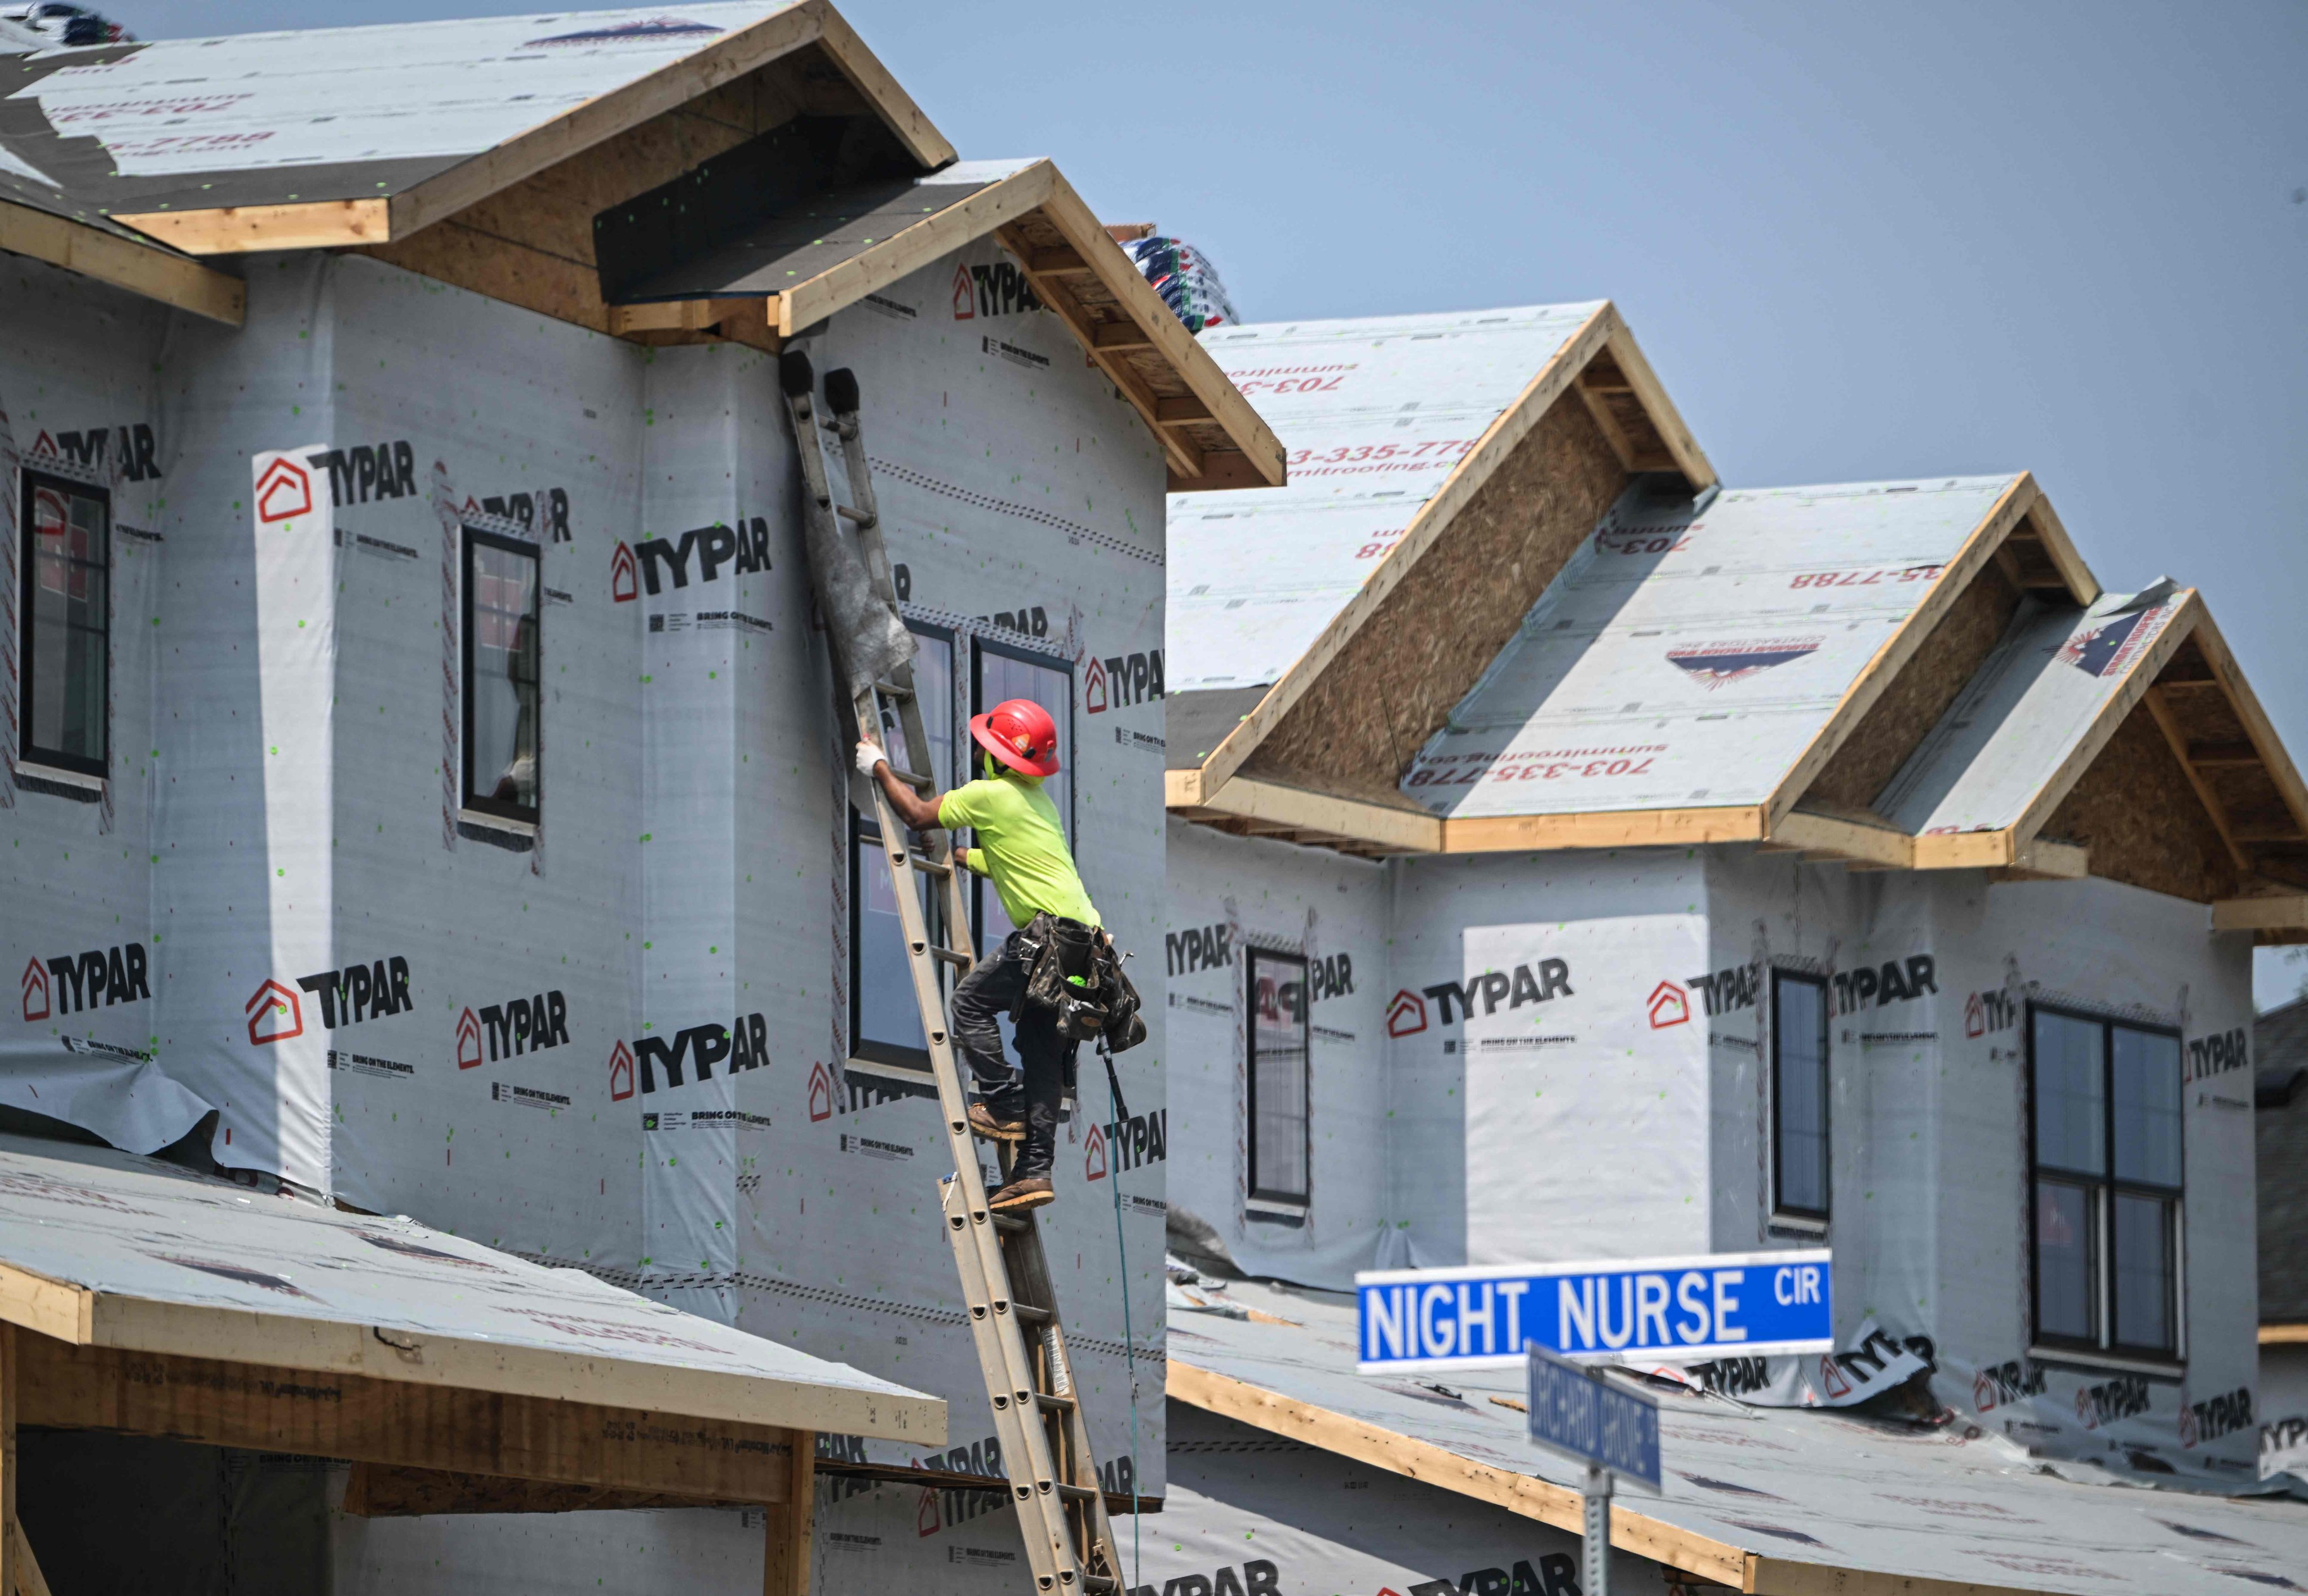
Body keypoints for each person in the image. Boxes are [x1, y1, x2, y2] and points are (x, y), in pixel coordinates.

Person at [857, 697, 1098, 1214]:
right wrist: (961, 857)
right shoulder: (1038, 801)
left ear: (999, 757)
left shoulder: (989, 794)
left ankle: (1002, 1100)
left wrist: (876, 763)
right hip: (1089, 947)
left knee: (968, 1004)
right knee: (1042, 1054)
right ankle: (1034, 1172)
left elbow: (918, 812)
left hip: (1049, 936)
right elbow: (1018, 860)